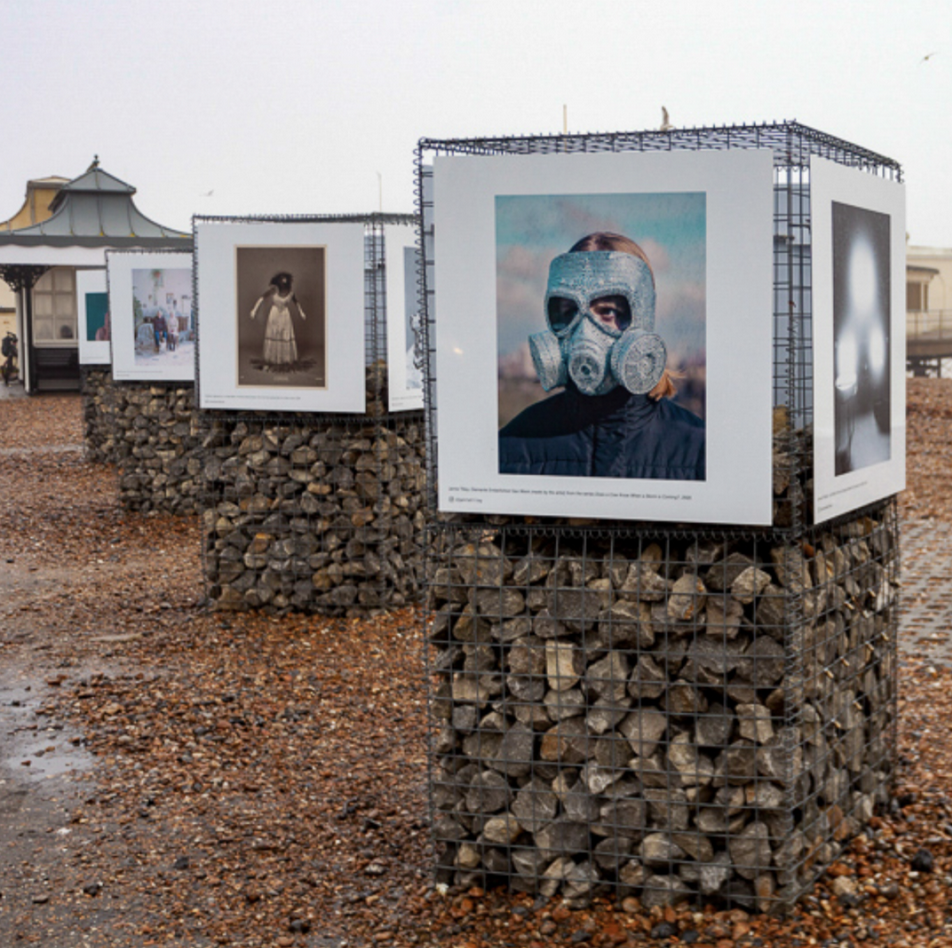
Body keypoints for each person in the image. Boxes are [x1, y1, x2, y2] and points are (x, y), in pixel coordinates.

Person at [498, 232, 705, 480]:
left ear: (643, 315)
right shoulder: (513, 447)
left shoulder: (699, 452)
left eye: (607, 310)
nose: (585, 331)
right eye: (569, 310)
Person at [250, 272, 305, 368]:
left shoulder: (290, 292)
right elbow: (261, 298)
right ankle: (273, 358)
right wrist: (254, 310)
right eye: (282, 279)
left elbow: (296, 303)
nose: (284, 281)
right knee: (274, 333)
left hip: (285, 315)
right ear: (278, 280)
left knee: (285, 334)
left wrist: (301, 312)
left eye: (285, 280)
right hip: (274, 314)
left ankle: (285, 359)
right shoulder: (273, 290)